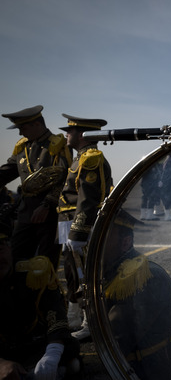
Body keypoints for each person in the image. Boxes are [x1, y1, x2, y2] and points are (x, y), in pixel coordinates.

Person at [0, 204, 80, 380]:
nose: (0, 256)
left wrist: (53, 352)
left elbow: (55, 314)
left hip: (31, 345)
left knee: (70, 352)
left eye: (2, 245)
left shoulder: (32, 273)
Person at [102, 209, 171, 380]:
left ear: (125, 242)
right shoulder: (110, 267)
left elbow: (118, 337)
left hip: (142, 371)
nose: (96, 242)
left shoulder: (143, 276)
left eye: (105, 238)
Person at [56, 114, 113, 338]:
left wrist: (79, 231)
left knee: (87, 275)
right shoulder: (79, 157)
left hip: (78, 225)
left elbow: (89, 199)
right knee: (72, 272)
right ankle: (75, 316)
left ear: (82, 135)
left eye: (69, 131)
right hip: (66, 223)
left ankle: (93, 323)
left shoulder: (91, 158)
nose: (66, 135)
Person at [0, 105, 72, 269]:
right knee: (16, 262)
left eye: (23, 128)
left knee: (45, 267)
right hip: (26, 215)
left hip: (49, 217)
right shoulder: (22, 148)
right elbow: (6, 172)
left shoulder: (58, 145)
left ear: (37, 124)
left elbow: (66, 178)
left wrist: (47, 205)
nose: (20, 133)